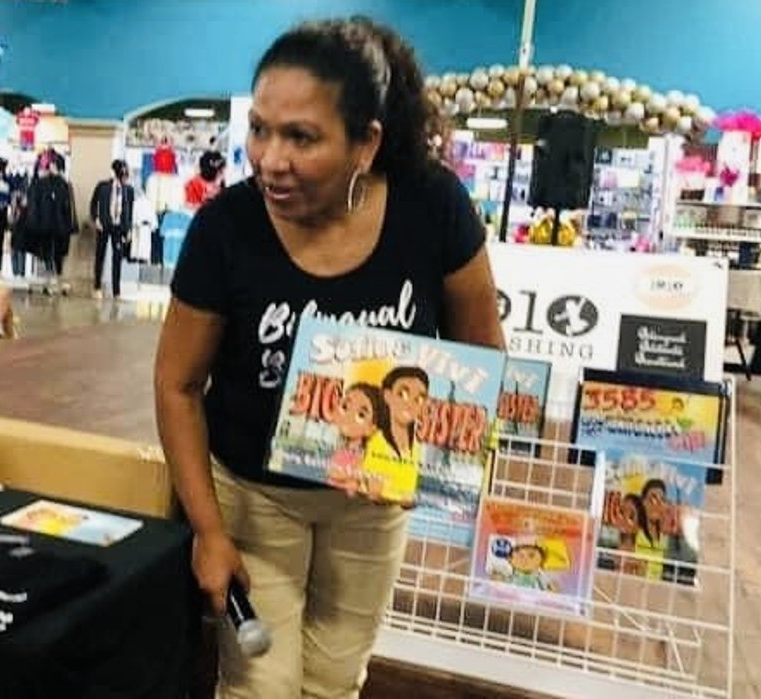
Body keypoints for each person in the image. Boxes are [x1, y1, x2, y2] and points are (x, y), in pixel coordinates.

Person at [153, 16, 503, 699]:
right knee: (261, 683)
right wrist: (207, 530)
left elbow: (481, 348)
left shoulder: (432, 206)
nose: (268, 159)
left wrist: (440, 460)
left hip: (371, 501)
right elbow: (176, 383)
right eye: (259, 128)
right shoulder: (225, 226)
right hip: (252, 495)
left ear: (365, 142)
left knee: (334, 680)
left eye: (300, 137)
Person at [89, 159, 135, 299]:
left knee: (117, 257)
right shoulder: (102, 186)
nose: (125, 177)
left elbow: (129, 211)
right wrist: (96, 219)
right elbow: (93, 204)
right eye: (122, 173)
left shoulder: (129, 190)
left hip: (119, 227)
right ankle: (97, 286)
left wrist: (128, 230)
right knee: (100, 256)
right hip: (104, 225)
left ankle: (116, 291)